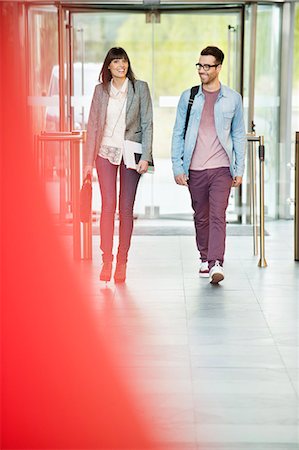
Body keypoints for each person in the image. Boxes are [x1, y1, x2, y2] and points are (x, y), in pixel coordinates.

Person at [171, 46, 246, 284]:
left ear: (219, 68)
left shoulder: (233, 98)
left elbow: (238, 135)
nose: (202, 70)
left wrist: (239, 169)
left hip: (222, 168)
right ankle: (204, 256)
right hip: (194, 168)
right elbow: (177, 134)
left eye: (207, 66)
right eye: (200, 65)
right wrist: (177, 166)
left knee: (217, 216)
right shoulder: (189, 97)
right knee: (201, 216)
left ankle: (216, 263)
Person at [84, 47, 153, 283]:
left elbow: (148, 123)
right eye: (116, 62)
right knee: (107, 207)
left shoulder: (140, 88)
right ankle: (106, 260)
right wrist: (87, 163)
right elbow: (92, 126)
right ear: (108, 67)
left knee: (125, 210)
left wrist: (146, 156)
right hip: (104, 153)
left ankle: (122, 261)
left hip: (131, 154)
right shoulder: (100, 91)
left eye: (124, 61)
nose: (121, 65)